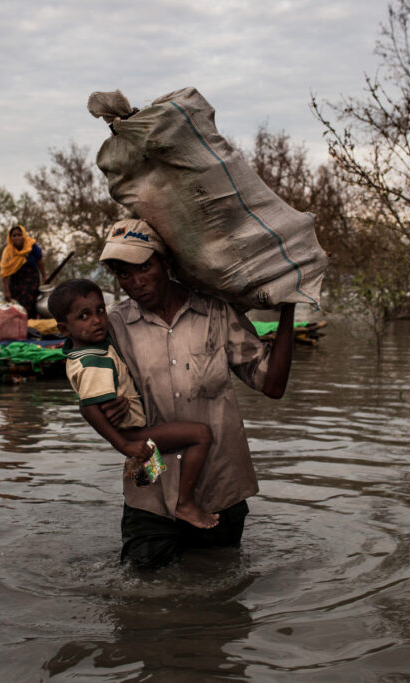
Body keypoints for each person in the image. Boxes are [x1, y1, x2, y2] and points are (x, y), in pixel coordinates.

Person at [97, 219, 296, 570]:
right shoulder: (115, 326)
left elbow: (273, 386)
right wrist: (109, 403)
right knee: (142, 598)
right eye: (124, 274)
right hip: (152, 480)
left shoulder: (215, 312)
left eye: (144, 267)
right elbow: (96, 392)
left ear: (166, 263)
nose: (136, 282)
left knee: (219, 595)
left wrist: (289, 310)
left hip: (220, 483)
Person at [48, 278, 219, 530]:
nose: (96, 320)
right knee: (201, 435)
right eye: (84, 316)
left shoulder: (86, 349)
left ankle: (151, 491)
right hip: (132, 431)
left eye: (100, 311)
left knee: (153, 467)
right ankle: (184, 502)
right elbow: (88, 408)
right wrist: (124, 443)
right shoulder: (93, 362)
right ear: (65, 328)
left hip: (133, 428)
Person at [0, 225, 46, 317]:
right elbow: (5, 272)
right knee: (16, 304)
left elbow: (39, 261)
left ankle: (31, 326)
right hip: (16, 281)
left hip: (31, 279)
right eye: (14, 235)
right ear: (10, 238)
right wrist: (6, 290)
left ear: (23, 235)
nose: (17, 237)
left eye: (19, 235)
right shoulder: (8, 252)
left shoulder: (32, 246)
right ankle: (19, 326)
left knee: (30, 302)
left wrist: (44, 276)